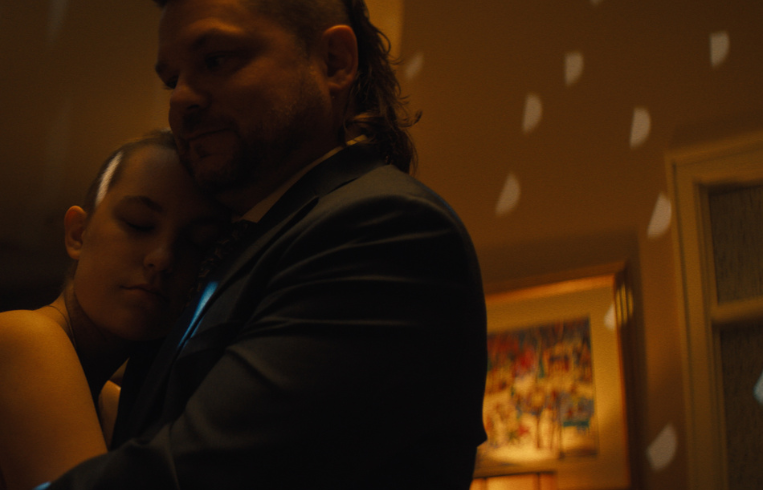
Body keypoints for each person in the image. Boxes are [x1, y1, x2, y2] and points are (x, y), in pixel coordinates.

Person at [41, 0, 488, 489]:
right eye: (172, 80)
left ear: (334, 61)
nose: (181, 100)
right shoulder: (240, 247)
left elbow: (193, 475)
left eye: (216, 60)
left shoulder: (386, 229)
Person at [0, 130, 228, 490]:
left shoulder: (114, 403)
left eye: (196, 243)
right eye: (139, 224)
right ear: (78, 233)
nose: (162, 258)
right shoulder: (24, 339)